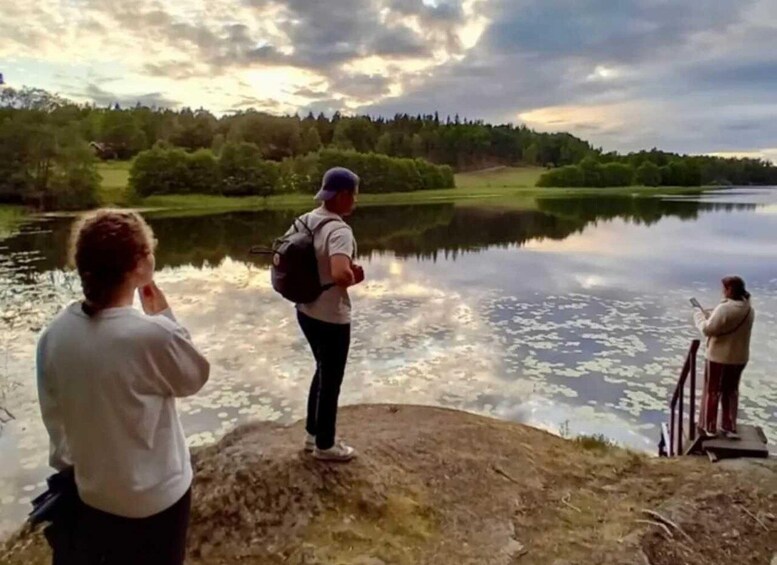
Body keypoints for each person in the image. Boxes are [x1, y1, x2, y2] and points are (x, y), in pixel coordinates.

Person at [36, 210, 210, 564]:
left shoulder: (54, 336)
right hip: (159, 498)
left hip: (95, 496)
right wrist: (165, 317)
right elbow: (194, 376)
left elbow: (57, 425)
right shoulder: (150, 335)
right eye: (149, 252)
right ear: (141, 267)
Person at [291, 167, 364, 462]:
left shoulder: (304, 221)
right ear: (343, 195)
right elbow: (339, 272)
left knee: (322, 369)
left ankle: (312, 434)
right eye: (354, 196)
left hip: (304, 309)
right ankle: (326, 445)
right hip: (331, 315)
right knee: (331, 378)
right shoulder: (339, 230)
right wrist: (352, 277)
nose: (355, 202)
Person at [694, 275, 755, 440]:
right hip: (739, 358)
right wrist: (713, 316)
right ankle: (729, 426)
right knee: (731, 391)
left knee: (713, 391)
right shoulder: (748, 309)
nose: (722, 292)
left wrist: (699, 317)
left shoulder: (725, 308)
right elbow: (726, 325)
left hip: (719, 358)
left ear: (729, 290)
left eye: (724, 289)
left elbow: (708, 330)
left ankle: (710, 428)